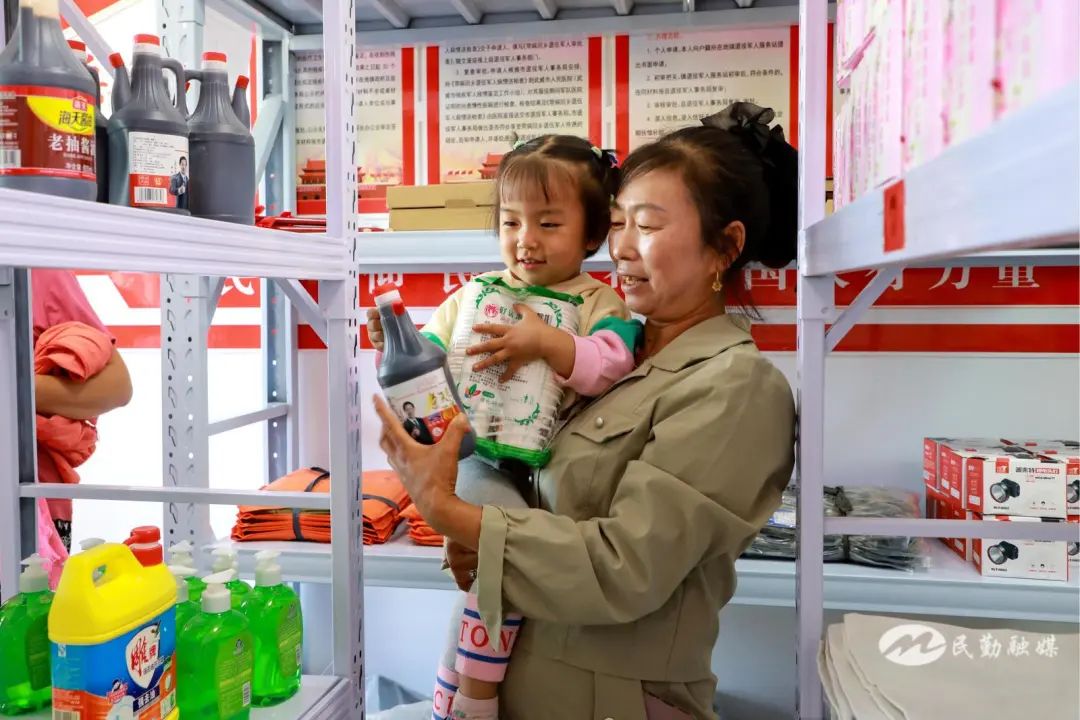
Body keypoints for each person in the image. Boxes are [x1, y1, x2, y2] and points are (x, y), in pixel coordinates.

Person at [373, 102, 798, 720]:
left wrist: (451, 512)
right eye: (619, 222)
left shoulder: (737, 387)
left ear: (724, 247)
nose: (622, 247)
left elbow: (623, 568)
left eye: (647, 226)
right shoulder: (609, 353)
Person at [367, 135, 637, 719]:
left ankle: (451, 693)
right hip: (477, 459)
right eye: (511, 221)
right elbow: (425, 360)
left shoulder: (599, 303)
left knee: (492, 578)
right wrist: (393, 339)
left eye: (548, 223)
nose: (525, 239)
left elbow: (614, 364)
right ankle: (475, 699)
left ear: (592, 235)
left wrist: (549, 342)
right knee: (500, 559)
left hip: (556, 472)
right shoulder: (475, 294)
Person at [32, 269, 132, 551]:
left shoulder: (35, 271)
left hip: (31, 502)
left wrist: (16, 387)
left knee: (32, 578)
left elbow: (116, 386)